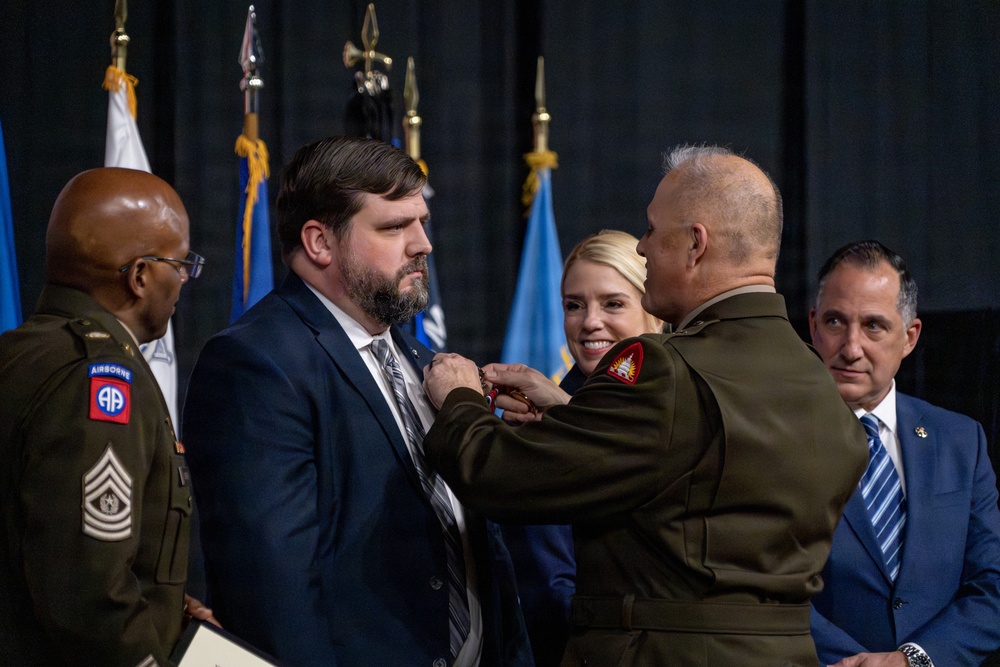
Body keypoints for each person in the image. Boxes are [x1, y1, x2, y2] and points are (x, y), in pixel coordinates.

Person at [422, 145, 868, 666]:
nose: (642, 249)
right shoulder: (817, 379)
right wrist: (572, 415)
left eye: (653, 232)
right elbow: (691, 485)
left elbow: (502, 475)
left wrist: (458, 398)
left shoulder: (664, 369)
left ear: (695, 244)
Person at [182, 136, 531, 666]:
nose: (423, 245)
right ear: (320, 241)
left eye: (422, 222)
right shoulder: (257, 363)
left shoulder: (425, 362)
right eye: (394, 227)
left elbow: (483, 548)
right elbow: (273, 588)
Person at [0, 168, 212, 666]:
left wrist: (169, 614)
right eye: (180, 265)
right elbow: (89, 594)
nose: (184, 280)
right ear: (140, 276)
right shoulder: (101, 379)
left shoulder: (18, 354)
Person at [808, 240, 1000, 667]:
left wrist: (912, 660)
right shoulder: (773, 440)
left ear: (909, 336)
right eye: (836, 321)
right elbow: (761, 588)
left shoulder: (960, 441)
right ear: (813, 326)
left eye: (874, 326)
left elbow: (992, 585)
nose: (852, 346)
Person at [505, 229, 662, 665]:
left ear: (655, 311)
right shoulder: (535, 431)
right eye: (574, 306)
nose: (590, 321)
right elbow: (550, 591)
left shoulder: (690, 410)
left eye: (612, 303)